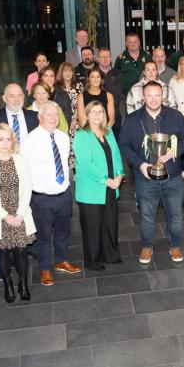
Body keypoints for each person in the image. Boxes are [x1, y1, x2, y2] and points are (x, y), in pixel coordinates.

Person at [119, 81, 184, 264]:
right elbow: (124, 145)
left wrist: (173, 152)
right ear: (143, 97)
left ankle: (175, 246)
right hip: (145, 178)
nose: (153, 99)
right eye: (149, 95)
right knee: (147, 215)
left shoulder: (175, 116)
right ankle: (147, 246)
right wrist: (140, 164)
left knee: (175, 215)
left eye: (157, 95)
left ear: (163, 97)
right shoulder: (133, 119)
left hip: (172, 176)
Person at [21, 102, 82, 286]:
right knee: (44, 235)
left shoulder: (63, 138)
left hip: (63, 195)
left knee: (64, 230)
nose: (54, 118)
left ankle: (61, 261)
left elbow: (63, 163)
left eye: (56, 114)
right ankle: (45, 268)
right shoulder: (30, 140)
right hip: (42, 199)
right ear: (40, 116)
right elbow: (24, 171)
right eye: (49, 114)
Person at [0, 124, 36, 303]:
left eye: (8, 139)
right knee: (2, 252)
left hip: (20, 214)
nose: (4, 143)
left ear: (13, 141)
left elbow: (27, 188)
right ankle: (8, 284)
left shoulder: (20, 160)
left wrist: (20, 213)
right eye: (0, 139)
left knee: (21, 251)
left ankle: (23, 284)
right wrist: (5, 216)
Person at [74, 101, 125, 271]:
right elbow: (86, 164)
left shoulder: (108, 131)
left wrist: (119, 174)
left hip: (111, 186)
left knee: (109, 223)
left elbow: (116, 154)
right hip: (92, 190)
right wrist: (106, 180)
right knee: (93, 227)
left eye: (100, 112)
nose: (97, 115)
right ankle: (93, 261)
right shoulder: (82, 136)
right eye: (93, 112)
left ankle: (110, 255)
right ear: (87, 115)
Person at [57, 62, 85, 168]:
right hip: (61, 122)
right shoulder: (57, 87)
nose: (68, 73)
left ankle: (77, 171)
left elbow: (82, 104)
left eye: (70, 71)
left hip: (76, 122)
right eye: (65, 71)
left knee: (77, 148)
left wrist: (75, 119)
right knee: (65, 149)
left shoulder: (79, 86)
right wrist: (66, 122)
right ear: (61, 73)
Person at [37, 67, 74, 131]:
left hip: (59, 132)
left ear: (55, 78)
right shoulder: (34, 95)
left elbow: (67, 118)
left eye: (51, 76)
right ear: (41, 78)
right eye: (46, 76)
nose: (49, 79)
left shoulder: (63, 94)